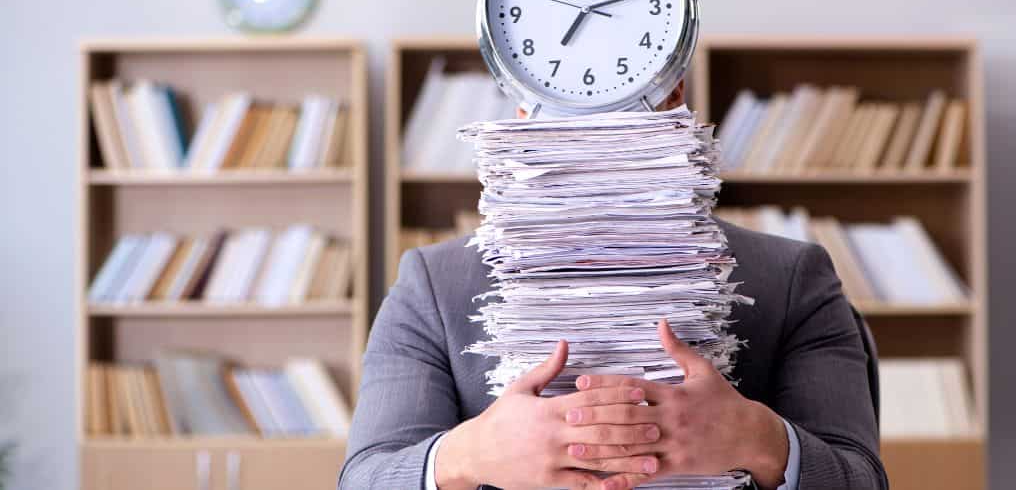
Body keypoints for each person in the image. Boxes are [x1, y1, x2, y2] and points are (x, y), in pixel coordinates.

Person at [339, 81, 887, 490]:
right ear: (523, 112)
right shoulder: (433, 283)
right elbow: (366, 476)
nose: (595, 133)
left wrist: (761, 441)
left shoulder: (792, 276)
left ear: (674, 102)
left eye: (623, 102)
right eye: (566, 102)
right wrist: (465, 455)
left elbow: (860, 479)